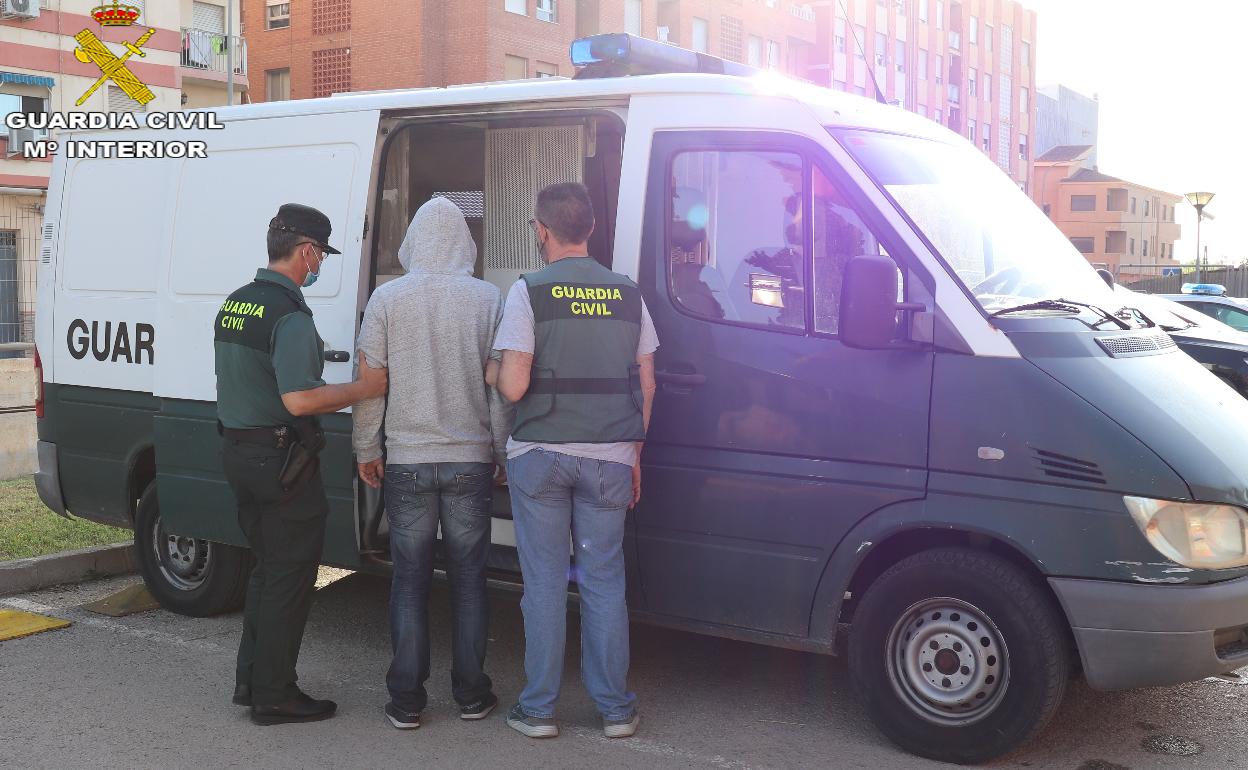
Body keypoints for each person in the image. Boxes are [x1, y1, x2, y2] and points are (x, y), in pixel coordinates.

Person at [491, 182, 658, 740]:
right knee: (604, 583)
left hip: (541, 456)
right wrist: (633, 454)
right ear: (589, 229)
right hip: (611, 457)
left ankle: (538, 711)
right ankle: (615, 711)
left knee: (543, 585)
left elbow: (513, 388)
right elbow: (647, 384)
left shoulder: (529, 291)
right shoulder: (628, 293)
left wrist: (493, 371)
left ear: (541, 231)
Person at [215, 203, 388, 726]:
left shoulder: (236, 302)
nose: (318, 267)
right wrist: (364, 389)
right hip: (282, 463)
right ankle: (275, 694)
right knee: (289, 578)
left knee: (267, 573)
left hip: (239, 454)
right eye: (320, 257)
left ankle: (252, 682)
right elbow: (298, 400)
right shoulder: (289, 314)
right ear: (307, 251)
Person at [353, 197, 509, 729]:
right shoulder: (489, 299)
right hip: (470, 460)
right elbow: (500, 393)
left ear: (414, 241)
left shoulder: (387, 298)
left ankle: (406, 701)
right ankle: (471, 695)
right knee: (469, 579)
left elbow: (370, 387)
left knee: (410, 580)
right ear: (465, 243)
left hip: (407, 462)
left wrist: (367, 448)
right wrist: (502, 450)